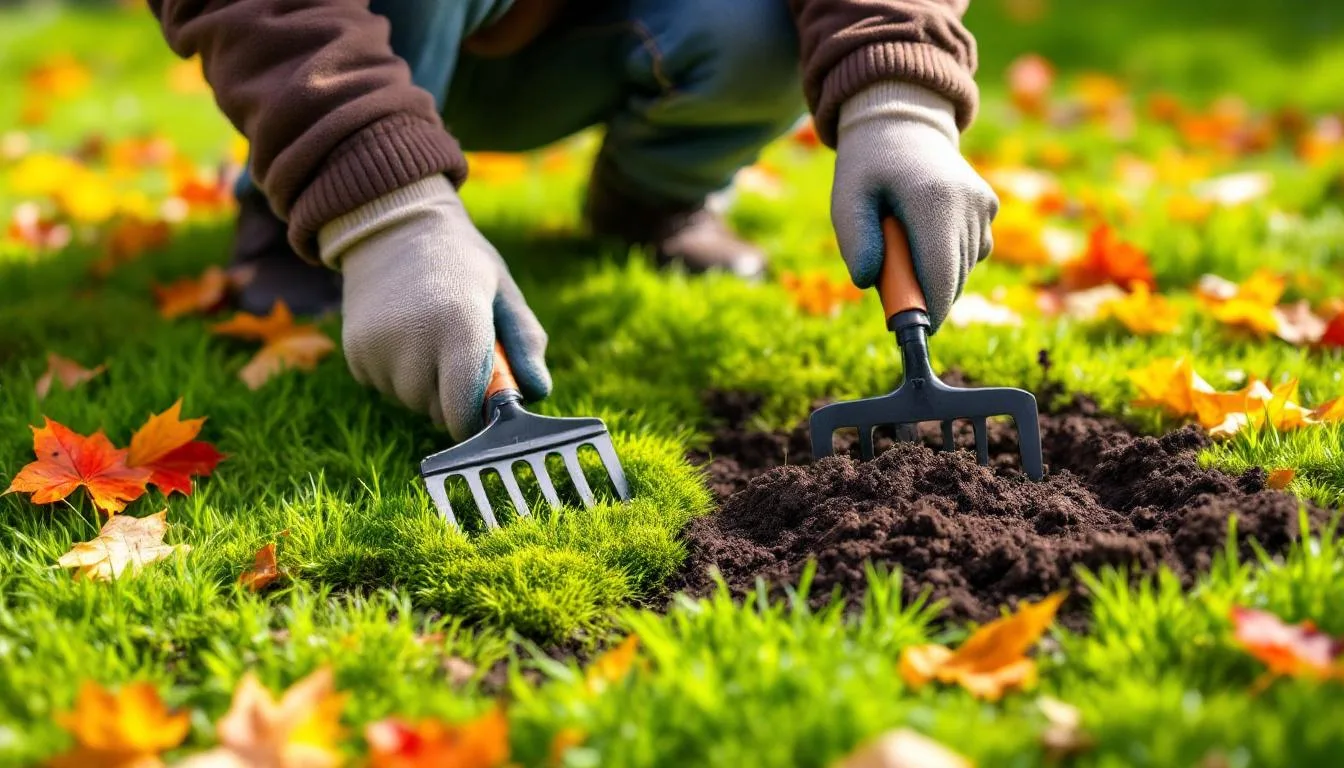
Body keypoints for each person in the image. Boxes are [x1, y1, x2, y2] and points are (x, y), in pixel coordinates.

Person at [150, 0, 998, 440]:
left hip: (603, 27)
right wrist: (378, 210)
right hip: (363, 41)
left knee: (750, 23)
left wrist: (903, 100)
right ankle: (306, 215)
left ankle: (650, 202)